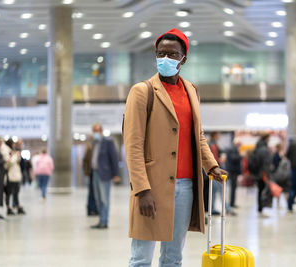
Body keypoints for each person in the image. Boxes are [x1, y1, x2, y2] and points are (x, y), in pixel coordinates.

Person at [123, 28, 227, 267]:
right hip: (151, 186)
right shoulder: (142, 91)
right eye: (160, 54)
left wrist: (211, 166)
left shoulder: (192, 91)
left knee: (173, 258)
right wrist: (141, 190)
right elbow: (133, 144)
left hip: (186, 185)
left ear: (184, 59)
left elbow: (197, 135)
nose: (165, 59)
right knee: (140, 259)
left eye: (171, 54)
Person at [90, 123, 120, 229]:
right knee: (98, 198)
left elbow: (114, 158)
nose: (95, 133)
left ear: (101, 131)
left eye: (96, 131)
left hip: (105, 174)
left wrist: (116, 174)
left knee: (104, 199)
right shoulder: (94, 142)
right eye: (93, 131)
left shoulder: (108, 141)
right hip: (95, 173)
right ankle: (101, 220)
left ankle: (104, 221)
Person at [249, 133, 272, 216]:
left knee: (260, 191)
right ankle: (260, 209)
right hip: (262, 174)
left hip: (257, 173)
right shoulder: (264, 149)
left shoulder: (257, 148)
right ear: (266, 139)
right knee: (263, 191)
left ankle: (260, 209)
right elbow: (265, 164)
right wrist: (267, 175)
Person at [3, 139, 25, 215]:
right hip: (10, 176)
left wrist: (17, 157)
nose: (14, 145)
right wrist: (15, 156)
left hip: (16, 175)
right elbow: (8, 164)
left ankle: (17, 206)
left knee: (16, 192)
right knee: (9, 193)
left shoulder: (13, 152)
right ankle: (8, 208)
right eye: (12, 144)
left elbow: (18, 163)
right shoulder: (7, 152)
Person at [83, 142, 99, 216]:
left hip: (97, 172)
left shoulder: (96, 149)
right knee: (92, 192)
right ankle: (91, 209)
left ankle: (95, 208)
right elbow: (85, 162)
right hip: (91, 173)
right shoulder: (89, 150)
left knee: (95, 192)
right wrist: (86, 172)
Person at [225, 139, 242, 208]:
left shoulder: (233, 149)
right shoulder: (233, 150)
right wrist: (241, 156)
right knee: (233, 187)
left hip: (233, 171)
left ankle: (232, 202)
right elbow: (233, 159)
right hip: (233, 171)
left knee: (233, 188)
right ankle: (231, 203)